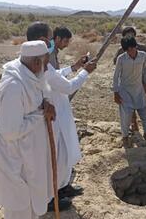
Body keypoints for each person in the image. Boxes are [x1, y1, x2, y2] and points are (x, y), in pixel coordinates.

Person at [26, 22, 97, 209]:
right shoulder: (39, 65)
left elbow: (55, 74)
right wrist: (84, 72)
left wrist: (73, 68)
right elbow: (68, 87)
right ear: (43, 40)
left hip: (56, 114)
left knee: (61, 154)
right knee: (53, 157)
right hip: (48, 120)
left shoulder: (37, 62)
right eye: (50, 38)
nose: (52, 42)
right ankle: (49, 198)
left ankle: (60, 188)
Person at [0, 41, 56, 219]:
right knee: (19, 210)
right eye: (45, 61)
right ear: (36, 63)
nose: (47, 66)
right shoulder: (14, 86)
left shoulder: (30, 75)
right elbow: (10, 132)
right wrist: (41, 114)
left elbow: (42, 91)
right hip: (16, 162)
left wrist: (47, 103)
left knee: (32, 208)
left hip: (30, 158)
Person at [113, 26, 146, 133]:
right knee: (129, 106)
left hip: (140, 82)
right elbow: (116, 65)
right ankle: (133, 124)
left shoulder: (142, 48)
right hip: (127, 83)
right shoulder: (121, 51)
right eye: (127, 35)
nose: (130, 37)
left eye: (131, 35)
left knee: (144, 106)